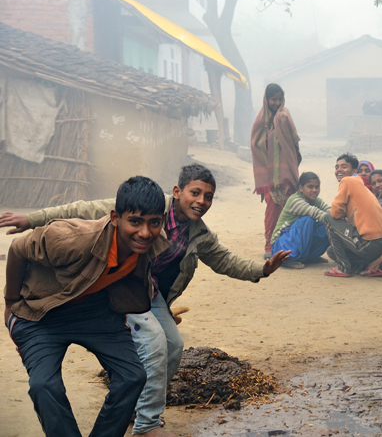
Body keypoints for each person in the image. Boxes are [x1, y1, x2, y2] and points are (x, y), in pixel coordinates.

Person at [0, 164, 291, 437]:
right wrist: (30, 224)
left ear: (161, 223)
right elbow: (79, 210)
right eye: (195, 192)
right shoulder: (128, 215)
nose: (202, 201)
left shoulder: (194, 233)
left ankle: (139, 411)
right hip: (67, 305)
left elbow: (224, 260)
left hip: (135, 296)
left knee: (162, 353)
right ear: (177, 192)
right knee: (54, 381)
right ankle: (147, 423)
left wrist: (261, 270)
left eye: (209, 197)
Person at [3, 176, 168, 437]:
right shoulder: (72, 239)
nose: (145, 233)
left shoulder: (152, 242)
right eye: (135, 222)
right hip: (42, 313)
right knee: (44, 386)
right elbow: (18, 249)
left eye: (154, 223)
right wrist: (10, 303)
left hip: (95, 312)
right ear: (116, 218)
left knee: (133, 377)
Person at [251, 83, 302, 258]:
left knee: (290, 209)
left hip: (286, 172)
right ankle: (269, 244)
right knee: (272, 209)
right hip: (268, 175)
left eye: (280, 99)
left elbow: (292, 143)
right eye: (274, 99)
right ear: (267, 99)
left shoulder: (284, 116)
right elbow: (256, 145)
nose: (277, 102)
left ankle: (287, 244)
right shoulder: (261, 120)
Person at [324, 156, 382, 277]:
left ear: (354, 171)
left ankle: (344, 268)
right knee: (331, 252)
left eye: (344, 167)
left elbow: (334, 213)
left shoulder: (348, 181)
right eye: (337, 167)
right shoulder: (361, 185)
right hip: (380, 245)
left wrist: (342, 214)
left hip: (368, 243)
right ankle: (373, 262)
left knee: (327, 218)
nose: (339, 170)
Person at [271, 172, 331, 269]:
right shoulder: (295, 200)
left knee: (326, 226)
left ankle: (310, 257)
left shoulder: (316, 201)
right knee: (308, 220)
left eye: (317, 187)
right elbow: (316, 213)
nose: (314, 190)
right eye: (310, 187)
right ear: (301, 188)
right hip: (281, 246)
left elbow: (329, 211)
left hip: (297, 242)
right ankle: (289, 259)